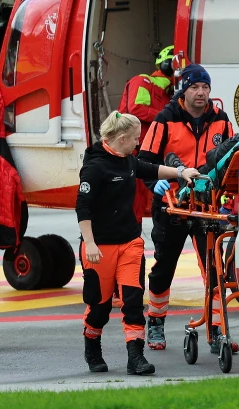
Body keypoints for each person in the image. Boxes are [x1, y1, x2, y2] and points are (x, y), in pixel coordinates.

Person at [77, 110, 198, 375]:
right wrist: (90, 244)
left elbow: (152, 169)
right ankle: (92, 345)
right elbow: (82, 208)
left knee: (133, 300)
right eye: (135, 139)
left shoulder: (128, 161)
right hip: (100, 248)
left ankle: (136, 356)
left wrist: (181, 172)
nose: (138, 144)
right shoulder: (95, 168)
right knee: (100, 305)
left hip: (130, 243)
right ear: (121, 139)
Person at [138, 63, 235, 352]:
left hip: (207, 205)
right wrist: (154, 185)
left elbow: (229, 159)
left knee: (215, 269)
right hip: (171, 204)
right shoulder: (165, 119)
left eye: (205, 87)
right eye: (195, 87)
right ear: (184, 89)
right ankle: (155, 323)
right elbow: (144, 162)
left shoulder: (221, 120)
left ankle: (218, 330)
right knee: (165, 266)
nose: (201, 93)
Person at [117, 45, 178, 145]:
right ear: (167, 65)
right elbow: (137, 108)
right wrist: (166, 116)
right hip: (135, 146)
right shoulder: (143, 81)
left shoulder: (168, 94)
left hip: (153, 143)